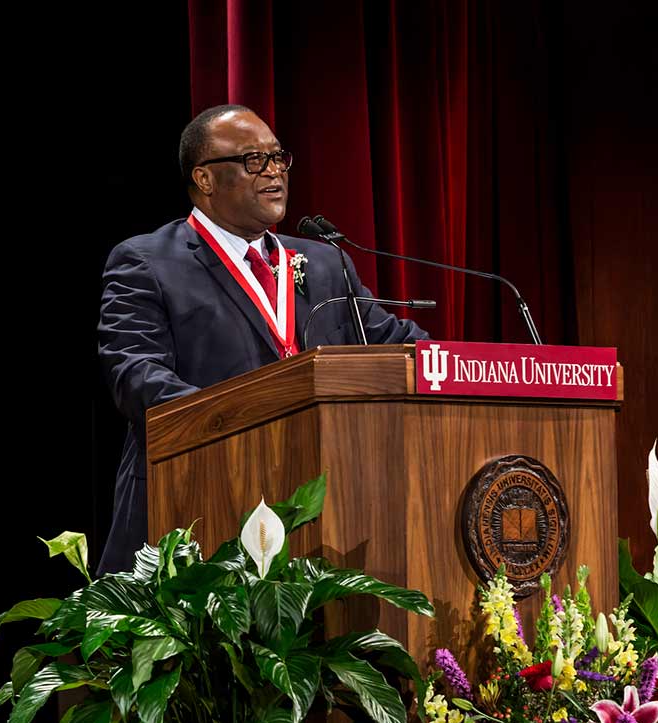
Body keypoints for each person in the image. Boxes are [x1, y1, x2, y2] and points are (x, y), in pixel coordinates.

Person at [97, 104, 428, 574]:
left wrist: (459, 369)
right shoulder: (147, 262)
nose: (274, 172)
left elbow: (398, 344)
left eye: (278, 158)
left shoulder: (325, 263)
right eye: (254, 161)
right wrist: (246, 427)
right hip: (197, 511)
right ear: (204, 178)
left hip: (322, 515)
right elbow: (137, 376)